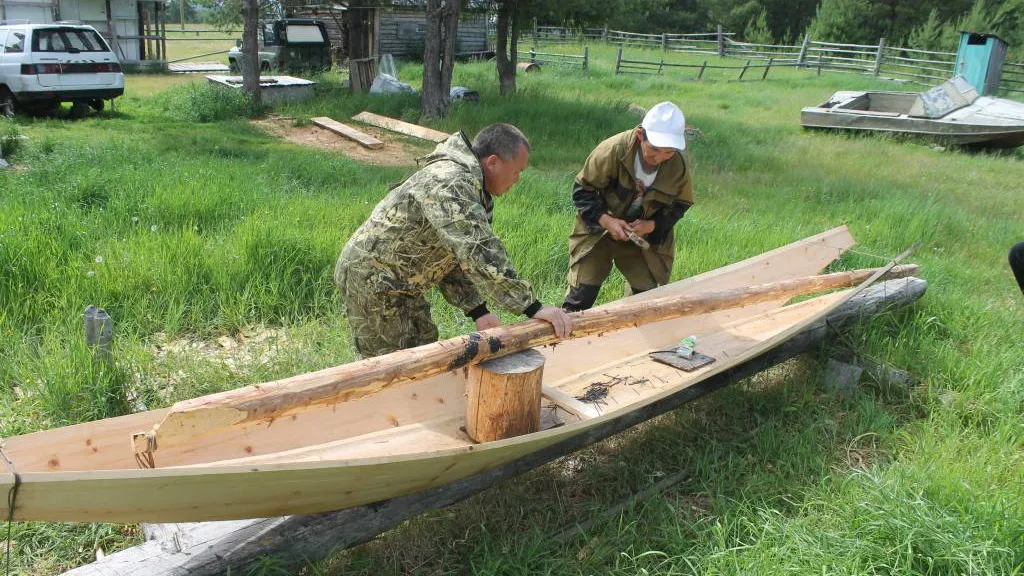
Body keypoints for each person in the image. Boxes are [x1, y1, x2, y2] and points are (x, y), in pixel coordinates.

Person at [334, 123, 572, 358]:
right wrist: (534, 307)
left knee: (423, 351)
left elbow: (451, 255)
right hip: (372, 280)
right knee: (392, 367)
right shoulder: (451, 182)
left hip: (402, 282)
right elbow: (478, 251)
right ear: (493, 162)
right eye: (516, 171)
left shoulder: (470, 185)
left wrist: (478, 310)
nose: (517, 179)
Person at [562, 101, 694, 312]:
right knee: (581, 296)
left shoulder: (678, 165)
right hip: (598, 231)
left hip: (644, 239)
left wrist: (651, 225)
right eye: (654, 150)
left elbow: (681, 205)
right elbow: (582, 191)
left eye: (668, 152)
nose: (659, 158)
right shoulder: (612, 150)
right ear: (641, 135)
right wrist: (607, 221)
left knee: (646, 301)